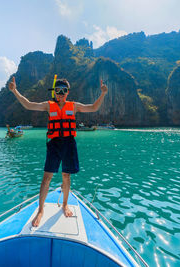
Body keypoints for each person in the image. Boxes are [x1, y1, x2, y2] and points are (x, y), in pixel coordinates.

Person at [8, 76, 108, 227]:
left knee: (66, 176)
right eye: (58, 90)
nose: (60, 93)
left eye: (64, 90)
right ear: (54, 91)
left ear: (68, 92)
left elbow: (93, 107)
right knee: (47, 177)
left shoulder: (73, 106)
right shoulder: (48, 106)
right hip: (54, 144)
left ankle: (65, 205)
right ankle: (41, 210)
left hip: (69, 143)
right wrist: (15, 91)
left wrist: (103, 94)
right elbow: (28, 105)